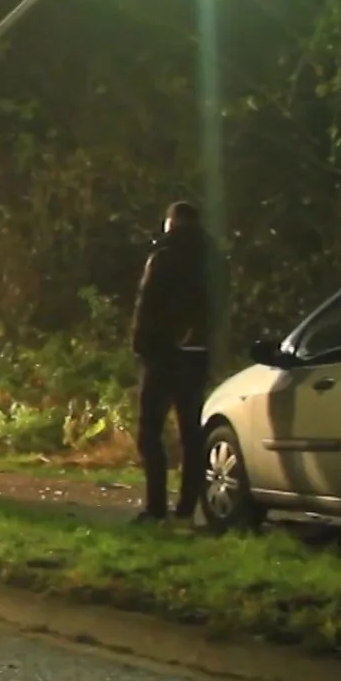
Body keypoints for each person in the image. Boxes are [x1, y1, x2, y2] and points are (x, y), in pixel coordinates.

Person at [130, 200, 214, 522]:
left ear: (172, 222)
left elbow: (147, 303)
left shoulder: (164, 257)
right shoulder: (213, 261)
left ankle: (155, 506)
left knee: (149, 431)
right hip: (197, 355)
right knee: (191, 432)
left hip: (163, 354)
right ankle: (187, 506)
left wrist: (141, 344)